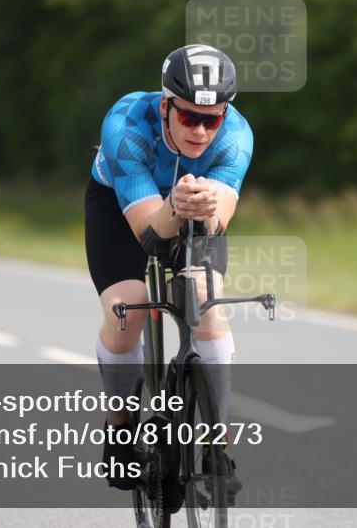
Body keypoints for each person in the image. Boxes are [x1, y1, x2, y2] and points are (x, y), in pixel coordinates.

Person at [84, 44, 253, 497]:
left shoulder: (237, 136)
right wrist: (173, 206)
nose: (200, 130)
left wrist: (203, 210)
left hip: (193, 212)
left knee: (207, 303)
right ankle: (120, 435)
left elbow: (216, 223)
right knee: (128, 307)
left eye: (211, 119)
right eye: (189, 117)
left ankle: (217, 447)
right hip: (122, 210)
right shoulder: (126, 126)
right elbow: (150, 237)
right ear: (166, 106)